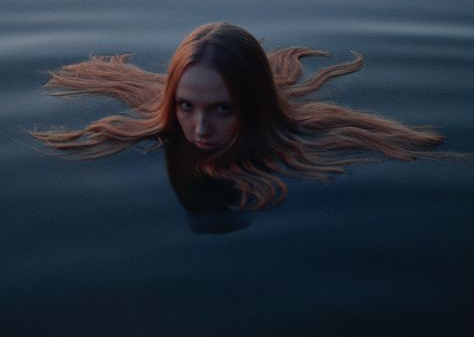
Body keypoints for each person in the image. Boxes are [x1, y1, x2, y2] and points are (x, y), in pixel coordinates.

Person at [33, 21, 445, 210]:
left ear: (255, 104)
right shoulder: (145, 148)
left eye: (223, 109)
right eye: (186, 106)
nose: (200, 129)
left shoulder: (309, 178)